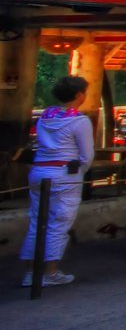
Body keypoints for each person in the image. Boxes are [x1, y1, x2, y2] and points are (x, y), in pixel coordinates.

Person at [17, 75, 93, 287]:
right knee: (58, 223)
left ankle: (31, 272)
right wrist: (79, 173)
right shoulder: (79, 121)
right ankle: (50, 271)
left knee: (36, 222)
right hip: (64, 174)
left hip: (39, 171)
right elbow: (87, 155)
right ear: (79, 95)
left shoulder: (45, 117)